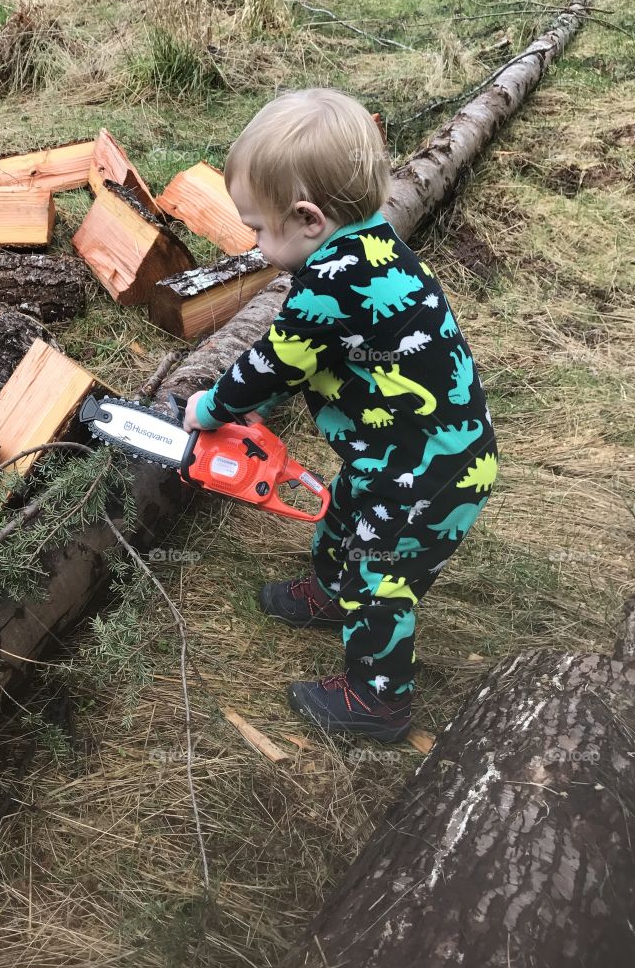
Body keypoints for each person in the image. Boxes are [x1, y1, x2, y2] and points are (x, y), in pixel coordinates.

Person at [182, 88, 497, 744]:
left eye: (258, 229)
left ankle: (377, 701)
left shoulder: (329, 283)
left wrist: (210, 406)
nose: (254, 242)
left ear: (307, 219)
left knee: (381, 577)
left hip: (430, 469)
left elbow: (273, 363)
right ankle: (330, 591)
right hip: (397, 455)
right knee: (345, 507)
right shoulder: (371, 244)